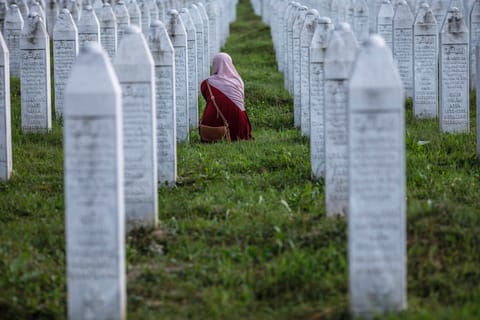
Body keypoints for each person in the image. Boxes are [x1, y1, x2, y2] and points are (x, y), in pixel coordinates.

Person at [200, 52, 253, 141]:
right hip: (238, 123)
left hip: (213, 123)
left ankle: (212, 137)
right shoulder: (238, 81)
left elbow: (207, 99)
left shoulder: (206, 83)